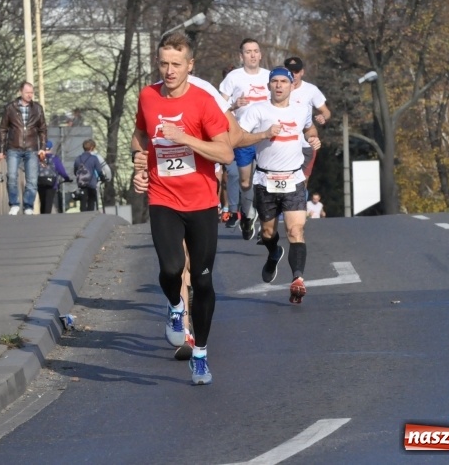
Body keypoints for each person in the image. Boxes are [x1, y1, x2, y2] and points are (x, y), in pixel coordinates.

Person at [131, 31, 233, 385]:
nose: (169, 70)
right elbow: (140, 136)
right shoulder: (147, 96)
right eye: (163, 63)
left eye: (176, 64)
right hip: (163, 197)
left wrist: (185, 138)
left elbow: (225, 153)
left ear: (190, 65)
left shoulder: (204, 102)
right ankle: (176, 307)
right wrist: (138, 163)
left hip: (202, 202)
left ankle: (201, 354)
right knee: (171, 267)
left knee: (203, 282)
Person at [238, 66, 321, 304]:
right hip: (265, 179)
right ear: (268, 85)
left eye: (283, 81)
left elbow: (309, 128)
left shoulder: (302, 109)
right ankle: (274, 252)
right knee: (267, 232)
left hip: (294, 179)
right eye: (274, 81)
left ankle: (297, 279)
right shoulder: (257, 111)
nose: (279, 85)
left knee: (296, 230)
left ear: (291, 85)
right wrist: (263, 134)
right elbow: (239, 137)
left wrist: (313, 137)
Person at [219, 39, 270, 240]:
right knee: (245, 181)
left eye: (256, 51)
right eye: (248, 52)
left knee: (267, 181)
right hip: (243, 136)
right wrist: (233, 104)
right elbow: (219, 106)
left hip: (266, 137)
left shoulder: (269, 76)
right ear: (241, 56)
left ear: (260, 54)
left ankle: (267, 224)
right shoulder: (233, 77)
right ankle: (248, 215)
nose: (252, 55)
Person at [0, 82, 48, 215]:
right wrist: (1, 150)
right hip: (13, 147)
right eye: (27, 92)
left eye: (31, 92)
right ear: (20, 92)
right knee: (12, 176)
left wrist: (42, 147)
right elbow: (3, 129)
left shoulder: (37, 108)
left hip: (32, 148)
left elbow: (42, 129)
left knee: (32, 179)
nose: (30, 95)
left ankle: (28, 206)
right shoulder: (10, 108)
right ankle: (14, 204)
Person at [284, 57, 332, 181]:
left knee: (302, 181)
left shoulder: (311, 90)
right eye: (290, 72)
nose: (293, 75)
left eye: (296, 71)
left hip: (305, 143)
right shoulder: (278, 89)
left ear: (302, 72)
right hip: (284, 143)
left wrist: (323, 117)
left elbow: (326, 111)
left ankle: (301, 200)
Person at [37, 140, 72, 214]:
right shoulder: (54, 158)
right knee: (48, 202)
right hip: (52, 184)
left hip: (40, 182)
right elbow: (61, 170)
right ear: (51, 148)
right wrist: (67, 178)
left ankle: (41, 218)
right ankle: (46, 218)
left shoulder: (38, 158)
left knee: (42, 201)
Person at [74, 139, 105, 212]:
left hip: (82, 183)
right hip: (91, 182)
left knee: (83, 200)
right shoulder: (93, 158)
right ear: (91, 148)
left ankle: (83, 214)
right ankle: (90, 214)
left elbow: (75, 171)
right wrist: (102, 178)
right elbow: (99, 170)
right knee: (91, 200)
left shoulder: (78, 158)